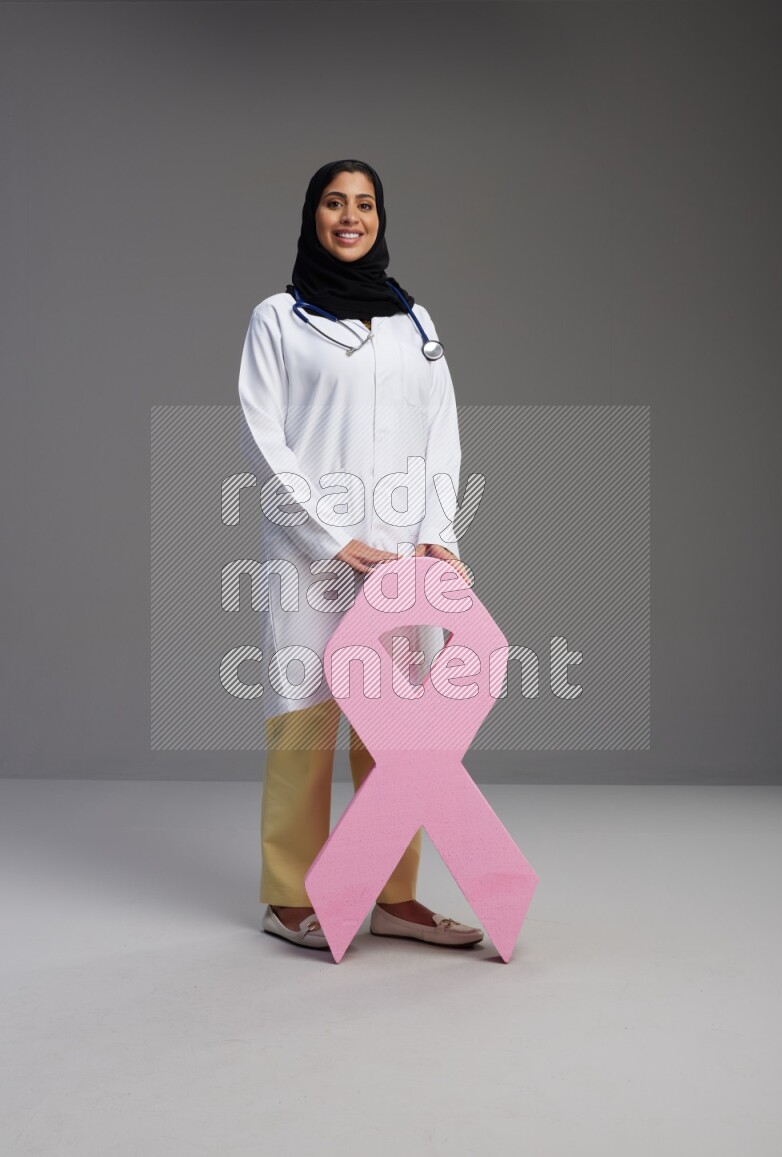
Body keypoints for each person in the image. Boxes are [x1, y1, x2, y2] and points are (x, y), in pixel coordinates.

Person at [237, 159, 483, 950]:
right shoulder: (277, 319)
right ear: (312, 216)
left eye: (365, 204)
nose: (351, 217)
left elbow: (441, 438)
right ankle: (288, 895)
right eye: (335, 203)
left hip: (403, 562)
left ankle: (391, 894)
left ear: (381, 218)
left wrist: (439, 537)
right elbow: (263, 439)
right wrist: (331, 539)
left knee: (399, 736)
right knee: (304, 726)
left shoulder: (416, 324)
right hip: (313, 560)